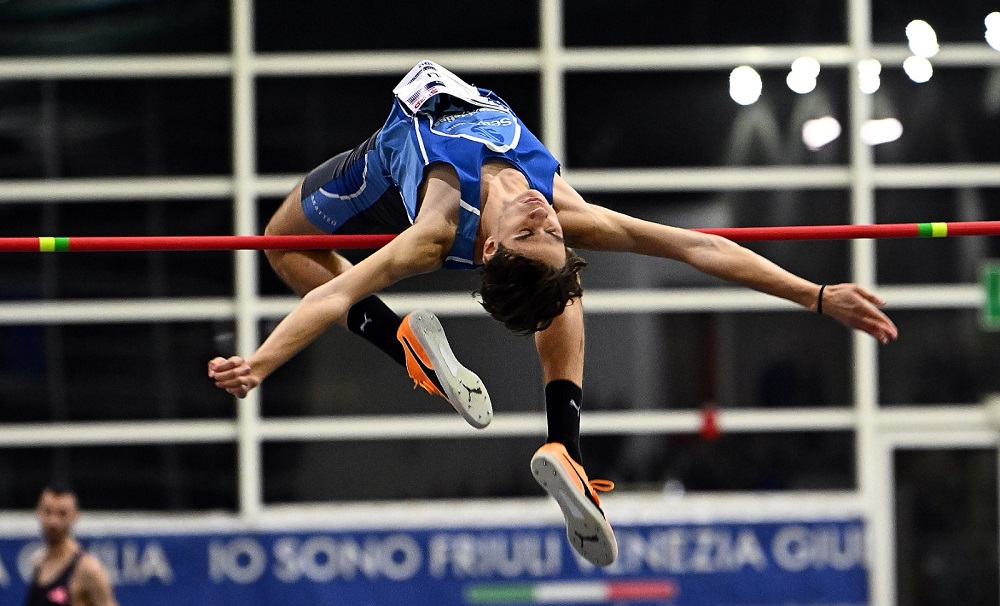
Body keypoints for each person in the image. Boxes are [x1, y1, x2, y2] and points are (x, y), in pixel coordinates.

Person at [208, 60, 898, 567]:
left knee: (281, 242)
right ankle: (548, 433)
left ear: (486, 245)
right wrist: (815, 293)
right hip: (429, 155)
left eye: (530, 231)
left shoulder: (438, 227)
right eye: (550, 233)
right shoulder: (561, 208)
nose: (543, 216)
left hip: (386, 176)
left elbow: (332, 293)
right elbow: (696, 246)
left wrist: (260, 363)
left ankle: (437, 365)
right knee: (559, 280)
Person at [24, 484, 119, 606]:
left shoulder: (88, 569)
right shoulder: (39, 564)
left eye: (62, 513)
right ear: (38, 512)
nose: (53, 521)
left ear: (75, 515)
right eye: (47, 512)